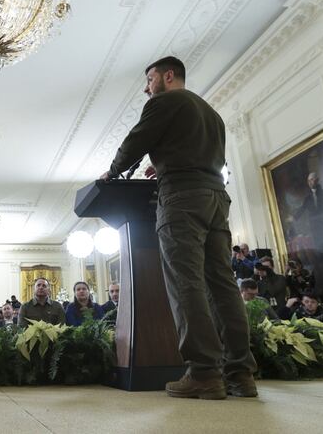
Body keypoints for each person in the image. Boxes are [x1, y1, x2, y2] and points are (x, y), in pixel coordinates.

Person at [100, 56, 257, 399]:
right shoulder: (210, 112)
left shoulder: (165, 100)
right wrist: (167, 164)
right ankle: (240, 374)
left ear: (168, 76)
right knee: (223, 286)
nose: (146, 88)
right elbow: (200, 155)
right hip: (215, 199)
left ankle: (203, 373)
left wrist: (112, 172)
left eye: (149, 79)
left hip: (182, 201)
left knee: (186, 284)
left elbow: (135, 141)